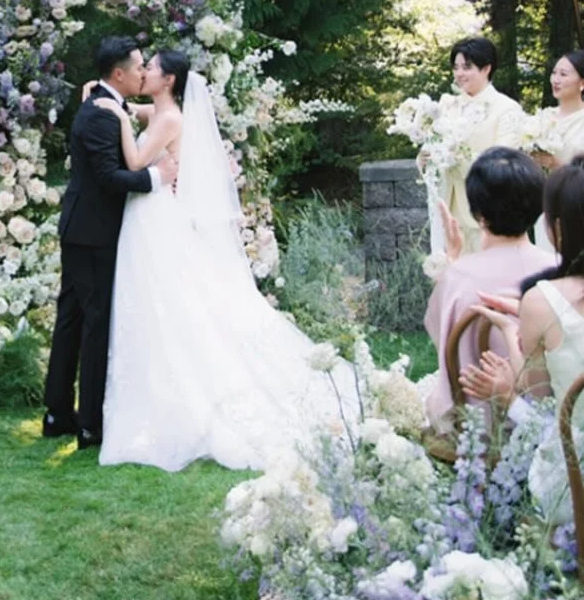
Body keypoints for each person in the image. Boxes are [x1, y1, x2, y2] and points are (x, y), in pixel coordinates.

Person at [95, 50, 356, 472]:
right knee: (152, 302)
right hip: (147, 215)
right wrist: (111, 102)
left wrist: (122, 121)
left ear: (169, 81)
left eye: (152, 68)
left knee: (166, 300)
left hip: (157, 217)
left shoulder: (171, 118)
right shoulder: (158, 111)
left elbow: (137, 162)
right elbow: (132, 108)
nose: (144, 73)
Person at [42, 37, 178, 449]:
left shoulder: (105, 103)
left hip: (81, 229)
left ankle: (57, 413)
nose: (143, 72)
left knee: (71, 319)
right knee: (94, 323)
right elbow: (107, 178)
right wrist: (157, 178)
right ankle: (89, 425)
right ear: (118, 73)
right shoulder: (102, 114)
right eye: (138, 67)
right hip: (93, 234)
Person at [460, 158, 584, 525]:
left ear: (558, 228)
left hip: (575, 489)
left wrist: (509, 331)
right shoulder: (542, 302)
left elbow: (539, 401)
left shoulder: (541, 301)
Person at [421, 147, 555, 434]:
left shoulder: (458, 276)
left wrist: (452, 260)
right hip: (548, 425)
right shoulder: (559, 271)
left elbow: (440, 334)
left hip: (473, 424)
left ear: (478, 213)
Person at [433, 37, 524, 255]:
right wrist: (430, 156)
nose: (459, 73)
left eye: (467, 67)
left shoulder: (506, 109)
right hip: (450, 205)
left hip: (487, 208)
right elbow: (433, 151)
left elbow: (503, 160)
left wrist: (459, 157)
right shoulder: (447, 106)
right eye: (456, 67)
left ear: (486, 68)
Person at [527, 50, 584, 251]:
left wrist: (557, 165)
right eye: (554, 73)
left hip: (578, 207)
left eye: (564, 74)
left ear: (582, 82)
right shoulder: (542, 119)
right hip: (545, 205)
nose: (556, 79)